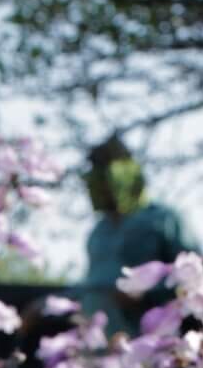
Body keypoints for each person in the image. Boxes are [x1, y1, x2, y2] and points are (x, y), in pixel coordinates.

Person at [72, 135, 196, 327]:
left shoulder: (162, 219)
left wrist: (147, 292)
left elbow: (192, 273)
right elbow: (91, 285)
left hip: (149, 334)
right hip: (96, 337)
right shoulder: (98, 231)